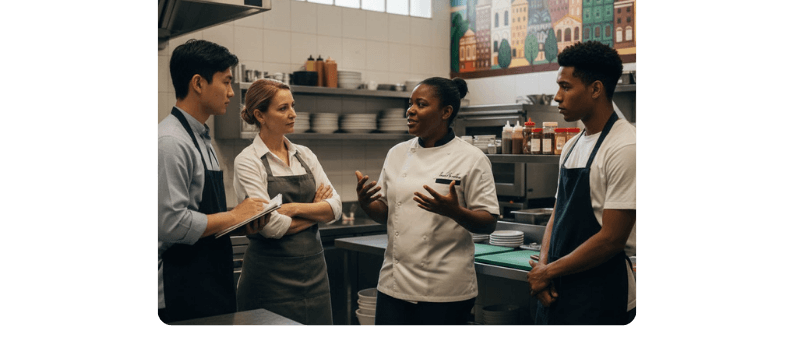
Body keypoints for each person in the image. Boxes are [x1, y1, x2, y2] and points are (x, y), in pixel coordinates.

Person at [355, 77, 499, 326]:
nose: (410, 110)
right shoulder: (397, 153)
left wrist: (454, 212)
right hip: (394, 284)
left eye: (420, 104)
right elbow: (387, 213)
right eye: (410, 104)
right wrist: (366, 203)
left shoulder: (472, 158)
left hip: (444, 289)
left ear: (446, 112)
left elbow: (488, 222)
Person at [158, 39, 269, 324]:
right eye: (226, 82)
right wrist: (234, 215)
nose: (232, 93)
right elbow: (171, 223)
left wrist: (239, 224)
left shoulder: (202, 137)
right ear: (198, 83)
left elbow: (201, 213)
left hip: (209, 281)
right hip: (180, 287)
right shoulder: (171, 141)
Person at [527, 41, 637, 325]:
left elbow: (612, 239)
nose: (557, 97)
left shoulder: (625, 146)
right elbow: (557, 214)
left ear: (596, 89)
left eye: (565, 87)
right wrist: (543, 265)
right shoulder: (571, 146)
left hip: (601, 292)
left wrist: (548, 272)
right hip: (558, 287)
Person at [233, 79, 342, 325]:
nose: (293, 114)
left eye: (293, 106)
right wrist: (316, 212)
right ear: (260, 115)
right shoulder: (248, 161)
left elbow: (335, 207)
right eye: (283, 108)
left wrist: (292, 209)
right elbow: (271, 226)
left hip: (315, 278)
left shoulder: (305, 154)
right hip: (269, 282)